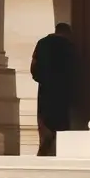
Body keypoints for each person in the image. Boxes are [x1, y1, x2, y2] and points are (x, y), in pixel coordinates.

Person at [30, 23, 76, 156]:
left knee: (44, 119)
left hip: (45, 88)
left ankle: (44, 148)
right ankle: (60, 150)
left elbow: (34, 65)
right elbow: (74, 69)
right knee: (61, 121)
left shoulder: (42, 43)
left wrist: (42, 79)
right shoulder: (69, 46)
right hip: (63, 89)